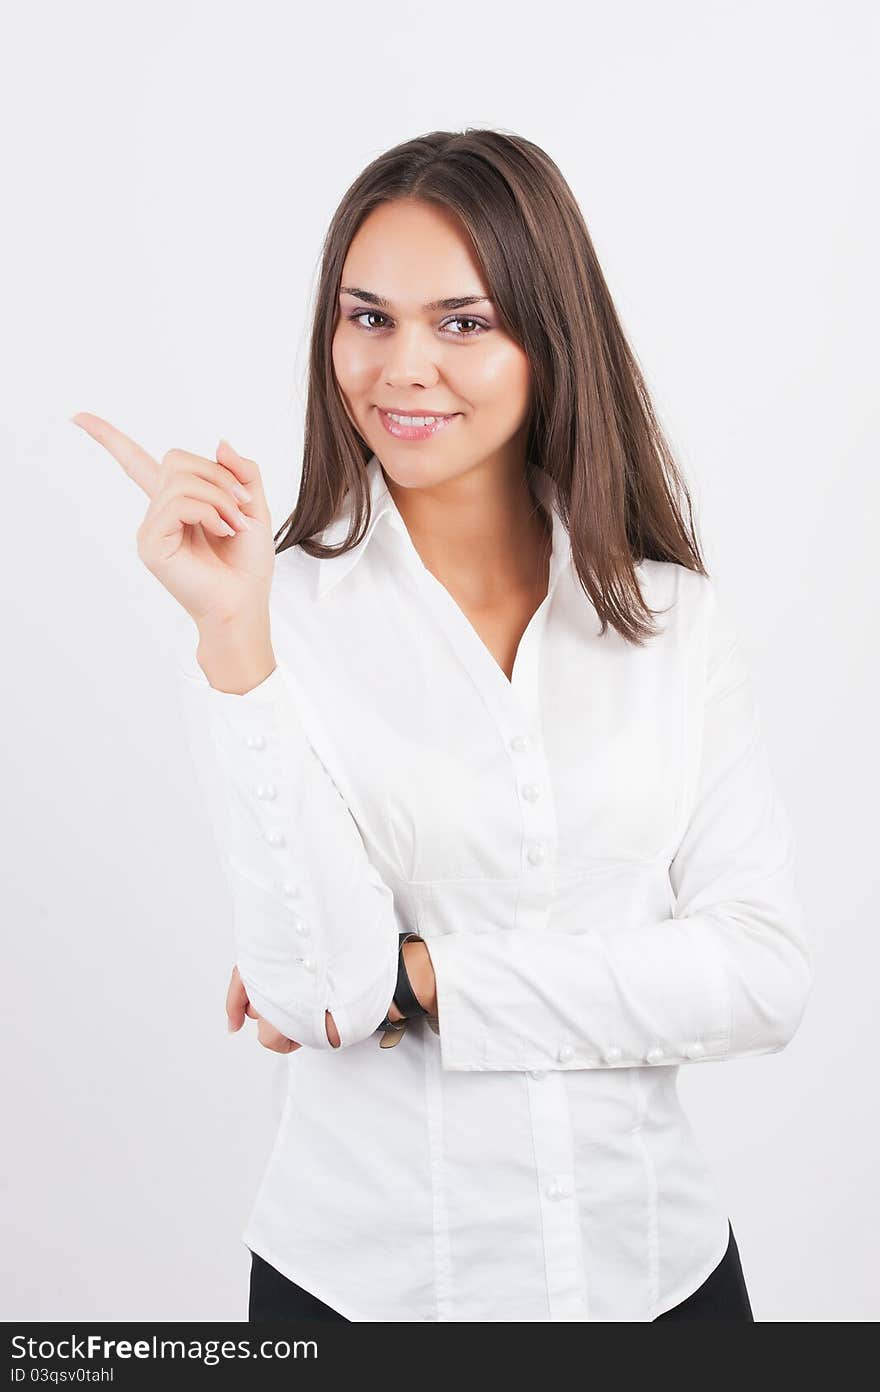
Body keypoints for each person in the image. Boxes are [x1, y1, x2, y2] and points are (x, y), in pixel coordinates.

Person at [71, 128, 813, 1322]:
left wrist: (428, 983)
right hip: (370, 1290)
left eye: (461, 322)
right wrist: (233, 639)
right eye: (368, 318)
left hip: (662, 1277)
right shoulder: (268, 622)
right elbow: (321, 1001)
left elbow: (761, 978)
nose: (402, 366)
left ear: (547, 337)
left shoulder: (672, 621)